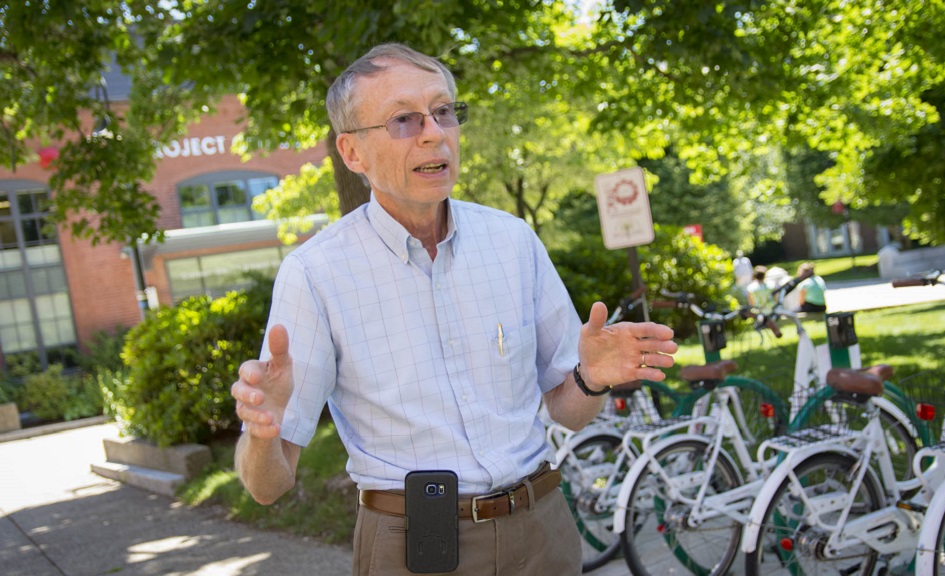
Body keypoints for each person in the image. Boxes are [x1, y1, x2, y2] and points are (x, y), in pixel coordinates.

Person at [229, 43, 679, 575]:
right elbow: (266, 487)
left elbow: (567, 410)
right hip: (414, 547)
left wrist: (592, 379)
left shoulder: (512, 241)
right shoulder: (315, 274)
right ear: (352, 153)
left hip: (543, 531)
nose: (434, 133)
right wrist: (262, 432)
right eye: (404, 120)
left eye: (443, 112)